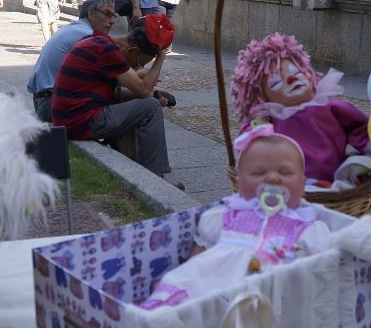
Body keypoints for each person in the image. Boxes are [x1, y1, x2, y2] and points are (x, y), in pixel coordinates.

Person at [139, 127, 330, 310]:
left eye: (285, 172)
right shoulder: (226, 214)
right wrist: (183, 276)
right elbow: (199, 255)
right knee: (179, 285)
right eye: (259, 173)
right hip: (214, 284)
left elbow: (317, 272)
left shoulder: (305, 226)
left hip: (265, 298)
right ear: (239, 183)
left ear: (303, 184)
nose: (272, 179)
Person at [230, 33, 371, 189]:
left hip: (333, 177)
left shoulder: (329, 108)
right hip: (285, 186)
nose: (291, 79)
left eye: (296, 71)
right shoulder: (267, 120)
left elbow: (361, 128)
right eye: (276, 81)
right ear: (262, 97)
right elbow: (248, 146)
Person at [51, 14, 176, 178]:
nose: (136, 68)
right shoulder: (108, 51)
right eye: (139, 63)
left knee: (145, 102)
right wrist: (160, 57)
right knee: (151, 108)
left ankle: (136, 162)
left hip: (70, 118)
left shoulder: (99, 41)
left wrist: (150, 95)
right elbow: (143, 90)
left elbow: (114, 94)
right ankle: (155, 175)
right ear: (133, 50)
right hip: (80, 121)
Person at [25, 0, 118, 122]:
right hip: (50, 104)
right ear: (91, 14)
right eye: (108, 14)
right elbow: (119, 72)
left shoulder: (75, 28)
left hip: (45, 100)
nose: (112, 21)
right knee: (133, 109)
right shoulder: (87, 35)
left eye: (114, 16)